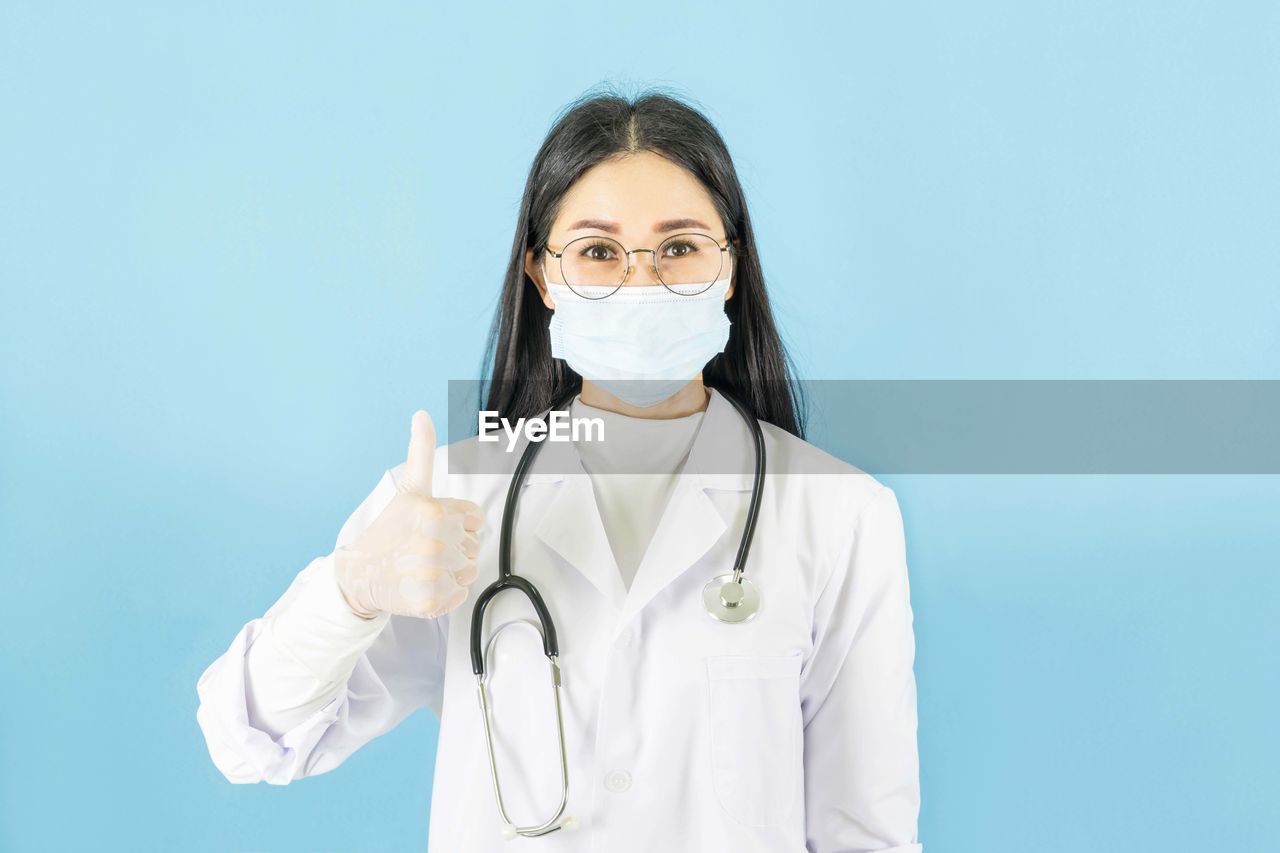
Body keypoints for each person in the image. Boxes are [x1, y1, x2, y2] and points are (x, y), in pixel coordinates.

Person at [195, 89, 923, 853]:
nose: (642, 286)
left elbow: (864, 832)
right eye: (599, 251)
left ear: (731, 268)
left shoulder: (840, 515)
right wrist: (352, 591)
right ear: (543, 276)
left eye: (679, 247)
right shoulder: (448, 503)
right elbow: (248, 736)